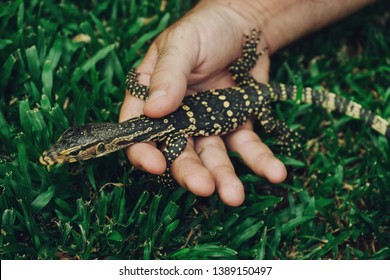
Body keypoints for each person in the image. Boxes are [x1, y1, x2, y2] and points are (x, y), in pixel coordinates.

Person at [119, 0, 376, 206]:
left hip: (254, 97)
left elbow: (172, 149)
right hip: (244, 88)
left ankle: (289, 137)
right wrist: (247, 13)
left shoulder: (166, 127)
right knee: (242, 80)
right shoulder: (169, 130)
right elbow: (170, 143)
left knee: (269, 123)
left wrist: (165, 174)